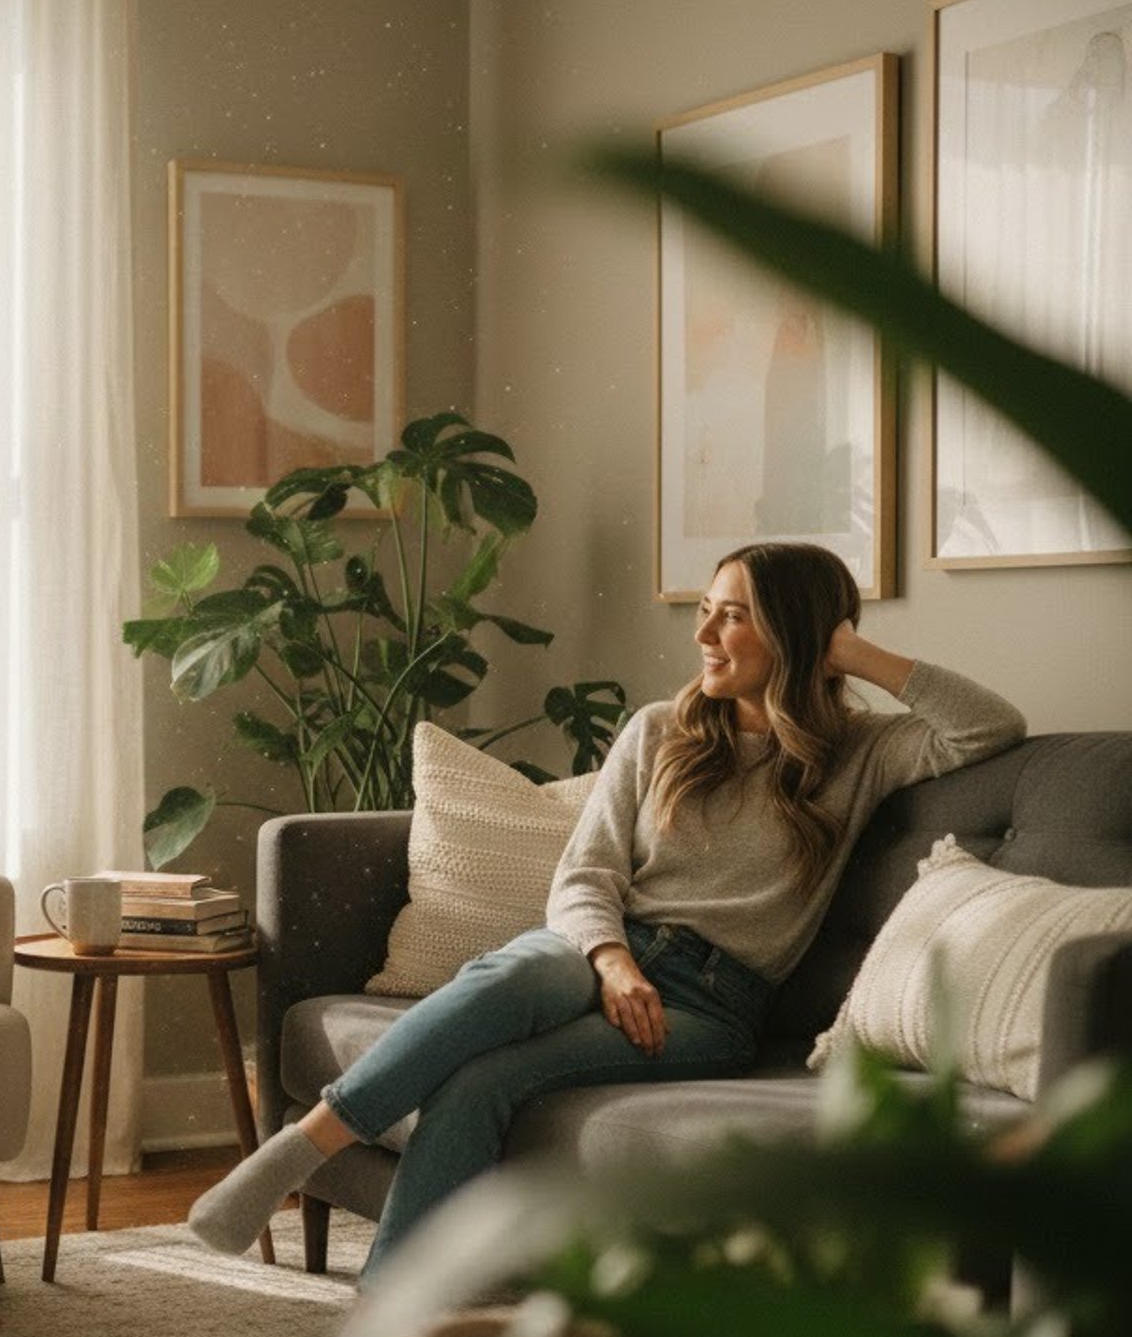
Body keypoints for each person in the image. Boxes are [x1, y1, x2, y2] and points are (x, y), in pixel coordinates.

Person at [189, 541, 1027, 1279]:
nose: (702, 635)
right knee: (519, 972)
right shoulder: (660, 730)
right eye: (705, 611)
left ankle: (389, 1304)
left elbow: (990, 725)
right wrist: (613, 961)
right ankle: (301, 1155)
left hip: (712, 1003)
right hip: (599, 950)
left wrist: (852, 650)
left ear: (794, 636)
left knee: (481, 1084)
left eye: (731, 617)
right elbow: (583, 873)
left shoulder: (862, 752)